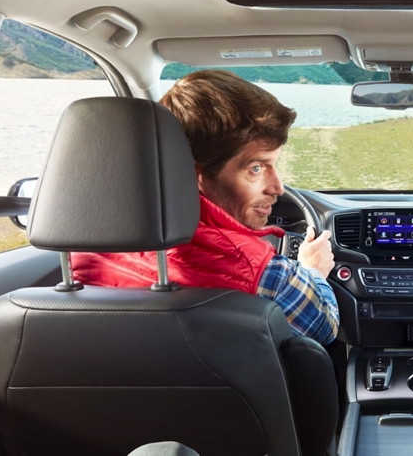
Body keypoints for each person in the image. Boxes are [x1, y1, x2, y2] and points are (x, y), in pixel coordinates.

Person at [71, 70, 338, 345]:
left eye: (274, 165)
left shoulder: (82, 255)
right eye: (256, 168)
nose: (277, 188)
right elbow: (325, 327)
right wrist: (312, 270)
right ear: (196, 176)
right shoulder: (261, 273)